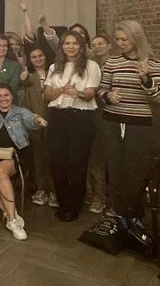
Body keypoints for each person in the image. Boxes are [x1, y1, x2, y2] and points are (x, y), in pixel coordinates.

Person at [98, 20, 160, 223]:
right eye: (118, 39)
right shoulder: (112, 62)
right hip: (112, 121)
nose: (120, 43)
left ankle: (132, 213)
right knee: (115, 168)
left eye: (124, 39)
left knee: (135, 170)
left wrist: (146, 79)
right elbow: (101, 90)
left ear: (136, 38)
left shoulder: (154, 64)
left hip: (139, 124)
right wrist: (108, 96)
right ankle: (118, 211)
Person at [0, 84, 47, 241]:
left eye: (6, 95)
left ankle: (13, 221)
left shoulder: (20, 112)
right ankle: (10, 213)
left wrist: (37, 119)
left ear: (12, 96)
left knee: (1, 170)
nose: (3, 99)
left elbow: (30, 118)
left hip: (13, 155)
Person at [43, 31, 101, 222]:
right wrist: (62, 89)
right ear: (62, 46)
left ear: (81, 46)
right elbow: (47, 95)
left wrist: (78, 93)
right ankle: (63, 203)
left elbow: (90, 94)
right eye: (67, 43)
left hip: (81, 117)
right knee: (57, 162)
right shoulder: (54, 67)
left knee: (77, 163)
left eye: (75, 43)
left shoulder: (91, 66)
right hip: (57, 116)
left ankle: (74, 206)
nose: (70, 47)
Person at [21, 47, 57, 208]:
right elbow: (22, 82)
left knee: (53, 156)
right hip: (35, 122)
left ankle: (55, 190)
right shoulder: (29, 76)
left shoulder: (55, 73)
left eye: (40, 55)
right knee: (38, 157)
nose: (37, 59)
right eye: (34, 57)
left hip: (54, 120)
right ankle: (41, 189)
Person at [86, 34, 112, 214]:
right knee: (94, 157)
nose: (97, 47)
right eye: (94, 44)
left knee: (105, 158)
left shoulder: (115, 64)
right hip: (92, 113)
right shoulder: (90, 65)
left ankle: (103, 197)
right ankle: (95, 195)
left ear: (109, 45)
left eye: (100, 43)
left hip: (111, 114)